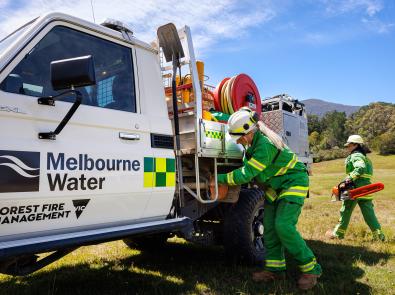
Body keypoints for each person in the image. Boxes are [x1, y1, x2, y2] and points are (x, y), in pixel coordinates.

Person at [216, 107, 322, 290]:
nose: (239, 141)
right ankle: (275, 270)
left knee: (283, 226)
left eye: (240, 137)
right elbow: (234, 120)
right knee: (270, 229)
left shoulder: (263, 146)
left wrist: (219, 179)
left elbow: (246, 174)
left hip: (292, 182)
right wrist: (215, 114)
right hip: (275, 187)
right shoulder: (252, 136)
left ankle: (312, 268)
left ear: (249, 131)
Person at [326, 135, 385, 241]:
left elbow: (360, 168)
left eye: (349, 145)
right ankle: (379, 236)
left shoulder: (355, 156)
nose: (347, 147)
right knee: (369, 214)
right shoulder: (366, 158)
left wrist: (348, 179)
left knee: (345, 211)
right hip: (366, 189)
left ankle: (338, 234)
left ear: (355, 145)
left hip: (354, 189)